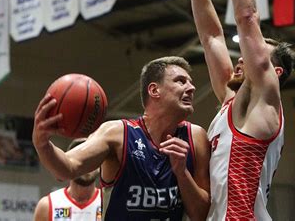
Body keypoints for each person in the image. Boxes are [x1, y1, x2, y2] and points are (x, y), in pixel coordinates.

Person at [188, 0, 295, 220]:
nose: (241, 58)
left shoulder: (265, 103)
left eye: (251, 56)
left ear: (274, 73)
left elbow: (247, 18)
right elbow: (211, 37)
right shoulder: (231, 99)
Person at [33, 56, 210, 221]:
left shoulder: (196, 137)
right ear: (154, 90)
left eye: (190, 82)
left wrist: (182, 173)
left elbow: (201, 214)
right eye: (181, 81)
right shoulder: (117, 133)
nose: (191, 87)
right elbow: (67, 168)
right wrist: (42, 144)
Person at [33, 138, 101, 221]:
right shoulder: (47, 205)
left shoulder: (110, 203)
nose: (86, 165)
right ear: (68, 163)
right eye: (81, 160)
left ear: (99, 165)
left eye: (91, 159)